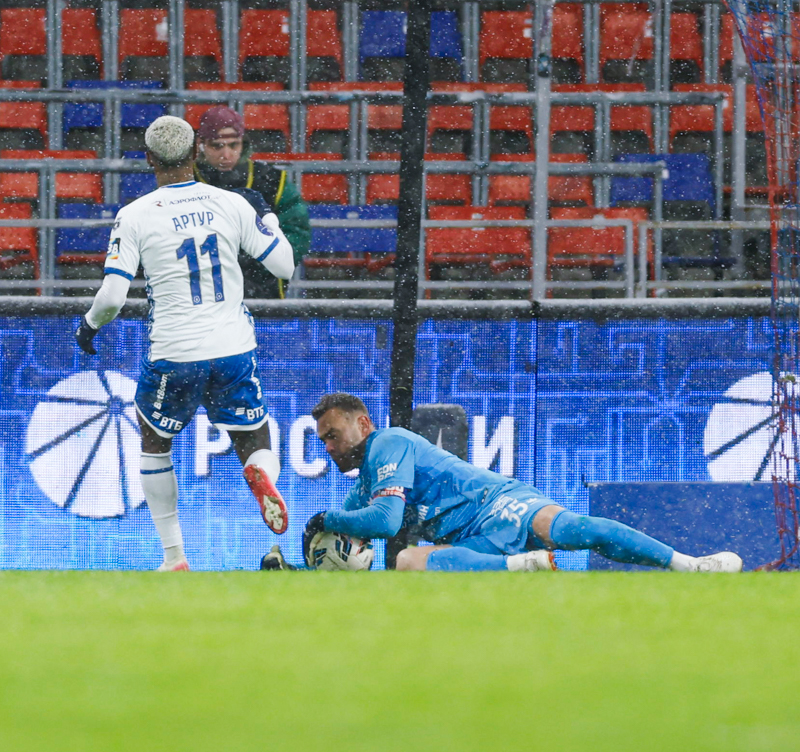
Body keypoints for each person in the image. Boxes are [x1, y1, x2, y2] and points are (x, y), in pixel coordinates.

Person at [74, 115, 295, 572]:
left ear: (149, 159)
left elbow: (113, 296)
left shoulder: (135, 214)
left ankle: (174, 556)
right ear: (197, 152)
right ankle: (260, 471)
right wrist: (267, 216)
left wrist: (89, 327)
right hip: (232, 346)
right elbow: (285, 266)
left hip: (175, 350)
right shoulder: (232, 202)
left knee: (155, 442)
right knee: (254, 434)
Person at [285, 393, 743, 573]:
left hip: (496, 502)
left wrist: (326, 517)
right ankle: (521, 565)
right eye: (322, 440)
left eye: (333, 435)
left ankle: (689, 564)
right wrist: (299, 566)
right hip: (471, 539)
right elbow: (354, 536)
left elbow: (384, 521)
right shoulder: (364, 482)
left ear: (363, 424)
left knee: (572, 530)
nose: (328, 446)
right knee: (407, 561)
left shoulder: (389, 441)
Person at [193, 105, 311, 300]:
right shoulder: (185, 181)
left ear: (243, 143)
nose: (226, 154)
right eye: (217, 146)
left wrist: (260, 261)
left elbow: (297, 232)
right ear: (201, 144)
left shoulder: (273, 180)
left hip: (261, 288)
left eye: (234, 145)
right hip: (202, 288)